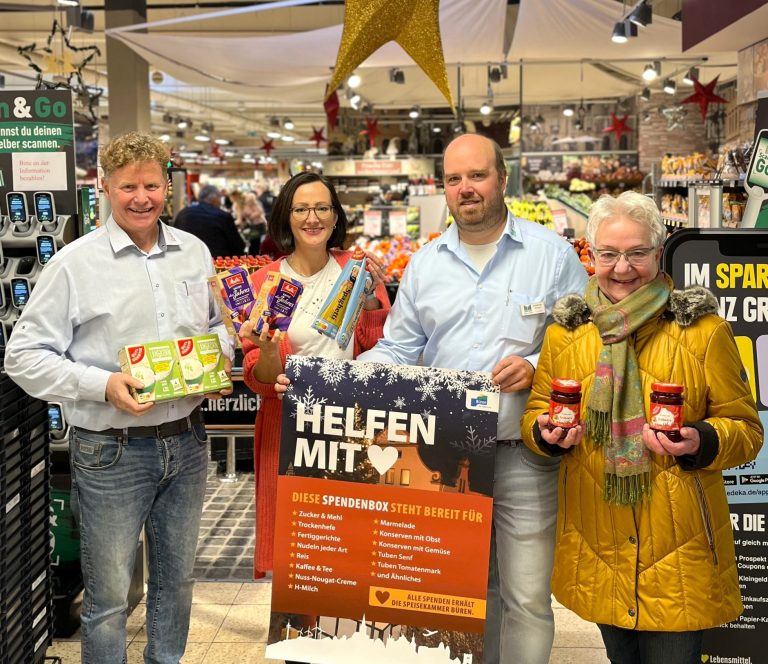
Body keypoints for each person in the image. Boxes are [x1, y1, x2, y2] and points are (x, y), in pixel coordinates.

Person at [350, 133, 588, 663]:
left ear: (503, 179)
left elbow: (586, 341)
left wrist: (537, 365)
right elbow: (399, 348)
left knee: (527, 598)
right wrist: (337, 378)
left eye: (477, 175)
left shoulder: (551, 256)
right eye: (454, 179)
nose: (466, 189)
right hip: (446, 454)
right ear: (444, 190)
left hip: (526, 453)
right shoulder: (425, 264)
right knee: (460, 594)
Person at [4, 131, 235, 664]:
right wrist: (101, 384)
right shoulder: (74, 264)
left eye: (152, 185)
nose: (141, 197)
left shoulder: (195, 253)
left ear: (168, 187)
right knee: (108, 599)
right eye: (128, 186)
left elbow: (220, 327)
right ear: (104, 185)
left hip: (187, 442)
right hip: (111, 450)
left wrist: (215, 360)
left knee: (176, 584)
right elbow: (23, 355)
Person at [521, 191, 763, 664]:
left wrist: (701, 440)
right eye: (609, 254)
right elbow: (536, 411)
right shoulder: (565, 334)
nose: (623, 268)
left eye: (636, 253)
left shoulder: (702, 331)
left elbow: (747, 429)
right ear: (590, 256)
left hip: (678, 545)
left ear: (658, 252)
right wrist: (545, 435)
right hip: (599, 540)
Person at [238, 171, 391, 578]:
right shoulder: (264, 282)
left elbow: (383, 348)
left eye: (322, 207)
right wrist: (270, 351)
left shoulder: (354, 270)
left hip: (353, 428)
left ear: (336, 216)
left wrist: (375, 300)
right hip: (291, 432)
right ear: (286, 218)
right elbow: (259, 376)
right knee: (300, 548)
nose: (313, 218)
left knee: (357, 547)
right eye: (301, 208)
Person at [174, 183, 245, 258]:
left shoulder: (183, 213)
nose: (220, 202)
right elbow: (238, 247)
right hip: (217, 265)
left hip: (186, 261)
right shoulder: (223, 216)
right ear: (215, 198)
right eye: (219, 198)